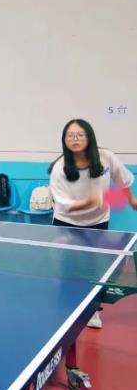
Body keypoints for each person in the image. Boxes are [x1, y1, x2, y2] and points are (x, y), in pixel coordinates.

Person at [49, 118, 137, 329]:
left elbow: (123, 179)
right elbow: (64, 206)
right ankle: (66, 306)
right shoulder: (59, 168)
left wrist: (132, 200)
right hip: (67, 223)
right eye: (70, 135)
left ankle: (92, 311)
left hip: (97, 222)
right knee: (68, 268)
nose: (75, 139)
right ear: (64, 140)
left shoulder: (106, 157)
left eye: (80, 134)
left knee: (94, 268)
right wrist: (92, 201)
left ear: (89, 137)